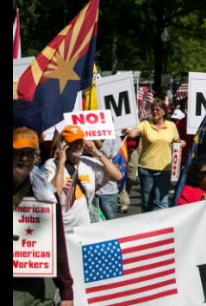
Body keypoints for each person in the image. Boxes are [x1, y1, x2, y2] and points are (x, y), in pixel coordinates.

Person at [13, 127, 74, 305]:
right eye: (18, 152)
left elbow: (58, 243)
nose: (24, 158)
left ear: (36, 158)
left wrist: (66, 290)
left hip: (38, 286)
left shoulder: (46, 194)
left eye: (29, 153)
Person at [44, 125, 122, 233]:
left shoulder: (88, 162)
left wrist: (96, 152)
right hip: (61, 230)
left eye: (80, 141)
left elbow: (117, 176)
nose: (78, 145)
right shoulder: (52, 164)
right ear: (64, 144)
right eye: (73, 142)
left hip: (84, 230)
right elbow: (55, 194)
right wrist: (61, 162)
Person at [122, 98, 186, 212]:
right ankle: (148, 226)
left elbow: (177, 141)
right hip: (146, 169)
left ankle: (164, 226)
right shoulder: (145, 124)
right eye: (152, 110)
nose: (154, 112)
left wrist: (182, 143)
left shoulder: (171, 126)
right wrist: (128, 132)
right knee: (147, 203)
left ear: (164, 111)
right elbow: (134, 133)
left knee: (162, 201)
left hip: (164, 170)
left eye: (157, 109)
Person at [92, 138, 124, 220]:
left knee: (110, 223)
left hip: (107, 192)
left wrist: (97, 144)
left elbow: (114, 165)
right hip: (89, 192)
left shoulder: (115, 139)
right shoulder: (85, 137)